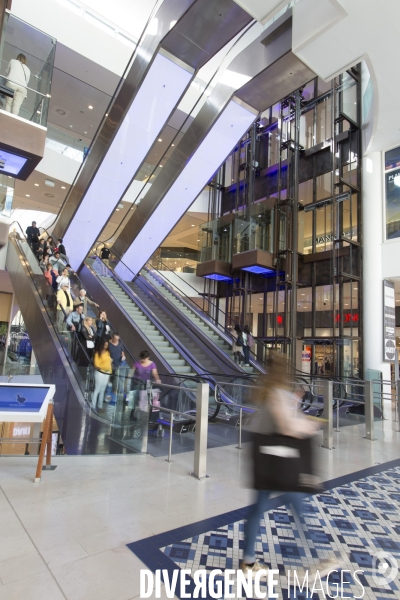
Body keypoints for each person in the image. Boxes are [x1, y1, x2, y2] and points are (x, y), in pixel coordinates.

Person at [240, 352, 336, 577]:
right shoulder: (276, 392)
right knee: (298, 506)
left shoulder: (265, 390)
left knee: (257, 508)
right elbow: (285, 426)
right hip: (279, 462)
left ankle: (248, 562)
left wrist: (292, 401)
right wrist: (309, 427)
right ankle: (316, 557)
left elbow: (276, 415)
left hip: (263, 457)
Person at [92, 339, 112, 411]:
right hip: (100, 372)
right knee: (97, 389)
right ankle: (93, 405)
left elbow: (109, 363)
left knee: (103, 390)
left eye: (107, 345)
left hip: (107, 372)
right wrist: (101, 368)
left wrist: (110, 372)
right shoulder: (97, 353)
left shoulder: (108, 352)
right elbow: (96, 364)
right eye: (104, 345)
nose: (106, 346)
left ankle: (100, 406)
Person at [109, 332, 128, 398]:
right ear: (112, 338)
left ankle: (114, 393)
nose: (116, 340)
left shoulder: (120, 345)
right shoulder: (109, 345)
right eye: (115, 339)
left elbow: (122, 353)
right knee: (110, 379)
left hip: (118, 364)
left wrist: (123, 356)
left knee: (116, 380)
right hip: (110, 365)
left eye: (118, 339)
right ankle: (108, 393)